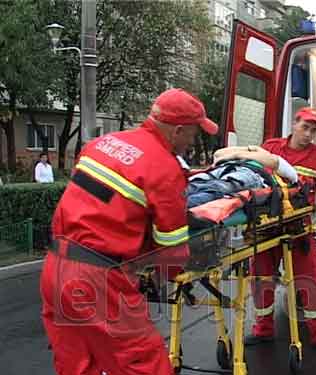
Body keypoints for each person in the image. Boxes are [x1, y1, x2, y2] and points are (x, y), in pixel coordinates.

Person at [40, 88, 218, 375]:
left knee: (77, 365)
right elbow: (172, 254)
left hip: (55, 267)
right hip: (98, 281)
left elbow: (98, 204)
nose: (193, 141)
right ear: (178, 130)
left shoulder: (102, 143)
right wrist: (159, 270)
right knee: (146, 365)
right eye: (194, 133)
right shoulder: (165, 168)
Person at [245, 107, 316, 352]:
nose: (308, 134)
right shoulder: (271, 148)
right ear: (294, 124)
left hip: (299, 229)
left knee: (310, 280)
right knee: (261, 279)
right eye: (305, 127)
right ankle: (263, 330)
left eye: (313, 130)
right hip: (266, 226)